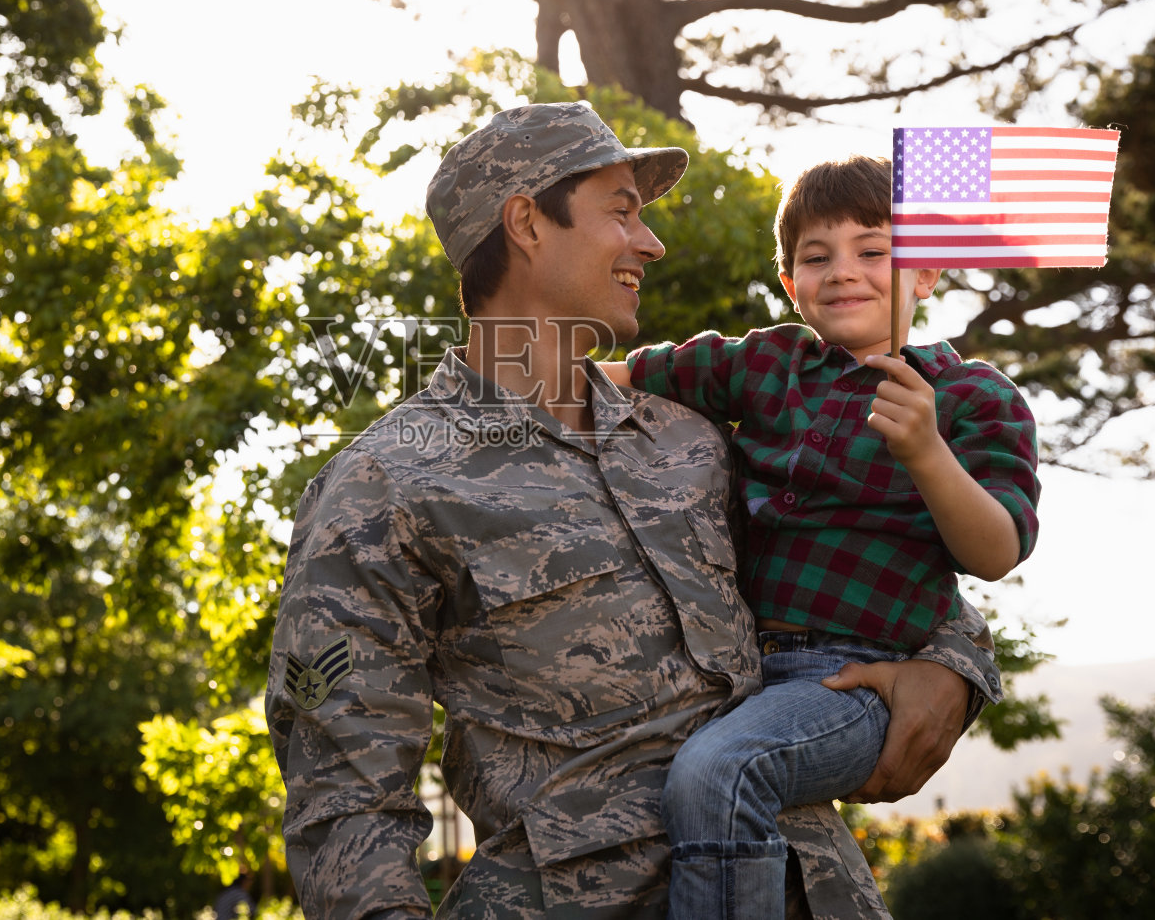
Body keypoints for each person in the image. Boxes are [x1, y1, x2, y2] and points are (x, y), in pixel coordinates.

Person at [267, 103, 1002, 919]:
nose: (650, 243)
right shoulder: (382, 484)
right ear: (526, 222)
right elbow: (344, 805)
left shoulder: (689, 440)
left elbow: (852, 557)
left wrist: (952, 662)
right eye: (621, 211)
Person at [602, 155, 1041, 919]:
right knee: (707, 778)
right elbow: (628, 374)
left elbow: (996, 550)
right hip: (740, 674)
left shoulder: (974, 396)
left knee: (719, 773)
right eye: (817, 255)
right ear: (790, 282)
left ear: (926, 270)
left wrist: (928, 454)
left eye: (874, 250)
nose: (845, 271)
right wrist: (513, 383)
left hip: (854, 681)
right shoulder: (768, 363)